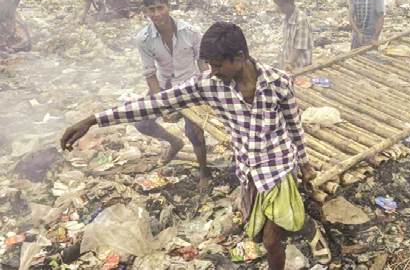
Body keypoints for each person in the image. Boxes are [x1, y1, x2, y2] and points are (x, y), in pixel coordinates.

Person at [61, 22, 332, 269]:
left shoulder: (279, 83)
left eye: (216, 65)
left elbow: (294, 126)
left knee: (272, 243)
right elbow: (155, 103)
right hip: (249, 170)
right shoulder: (208, 85)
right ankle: (310, 230)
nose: (211, 71)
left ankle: (302, 240)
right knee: (262, 233)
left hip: (279, 167)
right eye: (209, 65)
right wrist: (94, 119)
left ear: (238, 58)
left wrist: (305, 165)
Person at [135, 0, 210, 189]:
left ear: (169, 6)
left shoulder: (190, 32)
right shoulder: (143, 39)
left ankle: (204, 172)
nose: (157, 14)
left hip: (190, 86)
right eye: (152, 9)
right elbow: (149, 73)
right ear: (146, 11)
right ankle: (174, 142)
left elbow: (202, 62)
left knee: (195, 132)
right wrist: (161, 102)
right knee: (142, 123)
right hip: (163, 85)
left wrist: (203, 94)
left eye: (160, 8)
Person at [274, 0, 313, 73]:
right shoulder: (287, 18)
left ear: (290, 2)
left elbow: (299, 47)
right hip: (288, 67)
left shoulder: (301, 20)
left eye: (281, 5)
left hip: (300, 68)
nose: (279, 9)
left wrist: (288, 61)